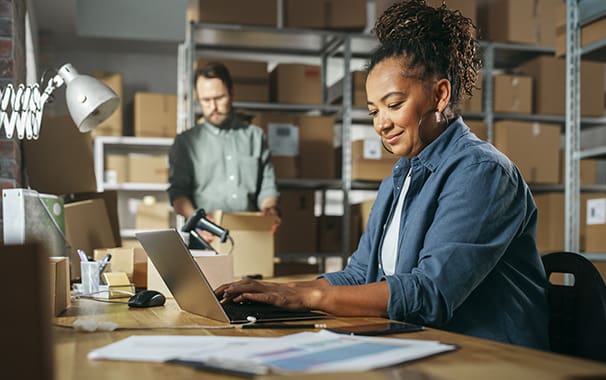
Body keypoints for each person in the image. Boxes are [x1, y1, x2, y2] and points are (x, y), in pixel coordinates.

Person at [215, 0, 550, 350]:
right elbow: (360, 274)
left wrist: (307, 297)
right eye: (374, 110)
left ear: (440, 94)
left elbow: (430, 293)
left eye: (393, 105)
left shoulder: (483, 172)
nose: (381, 123)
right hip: (424, 344)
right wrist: (281, 291)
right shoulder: (398, 179)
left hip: (492, 357)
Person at [168, 62, 280, 223]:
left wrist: (269, 208)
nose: (213, 107)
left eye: (219, 98)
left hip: (250, 231)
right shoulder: (186, 143)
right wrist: (198, 221)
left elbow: (268, 187)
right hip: (205, 235)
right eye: (205, 100)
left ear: (232, 93)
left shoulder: (255, 137)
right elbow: (178, 193)